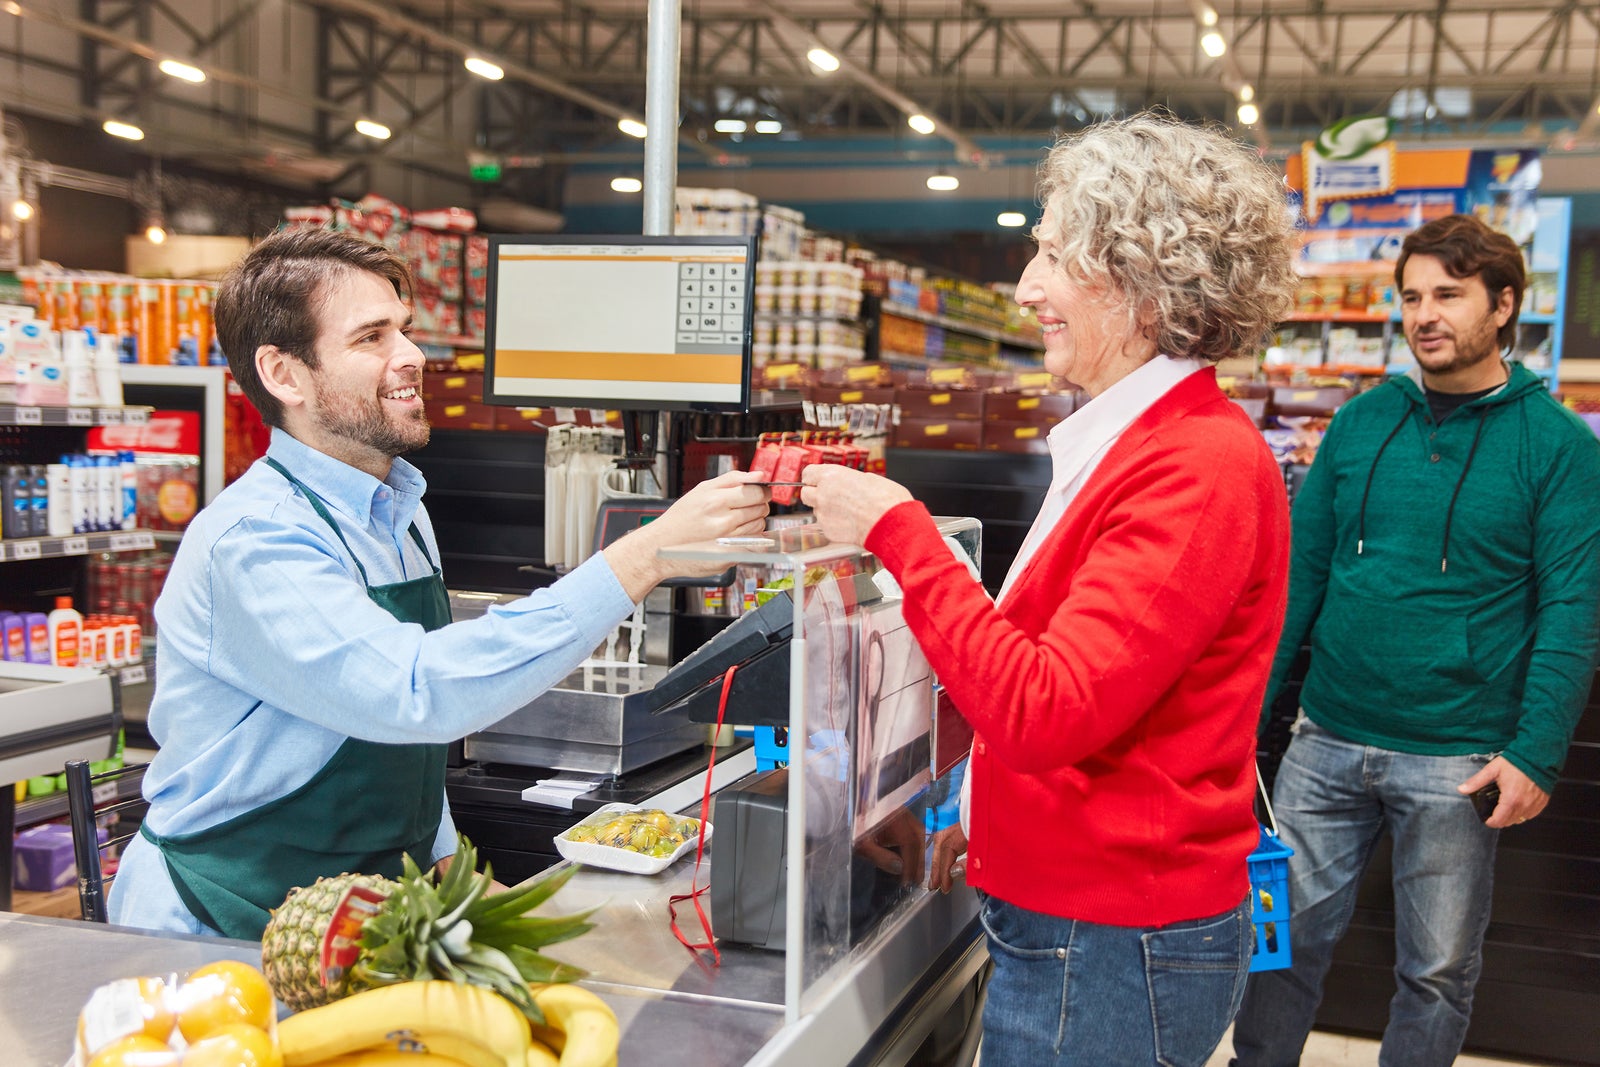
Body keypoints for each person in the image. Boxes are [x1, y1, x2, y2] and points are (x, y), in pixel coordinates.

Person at [798, 113, 1299, 1065]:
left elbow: (1048, 707)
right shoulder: (1143, 443)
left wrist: (895, 529)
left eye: (1055, 256)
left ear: (1142, 284)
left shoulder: (1195, 467)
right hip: (1086, 922)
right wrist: (974, 813)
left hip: (1112, 944)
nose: (1027, 288)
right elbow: (1081, 680)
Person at [109, 227, 770, 939]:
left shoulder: (400, 510)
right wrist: (646, 557)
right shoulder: (255, 541)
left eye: (406, 329)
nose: (413, 356)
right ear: (285, 374)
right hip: (222, 918)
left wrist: (451, 864)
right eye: (371, 336)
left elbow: (402, 745)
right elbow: (416, 691)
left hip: (357, 915)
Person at [1230, 213, 1600, 1066]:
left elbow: (1574, 610)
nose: (1425, 314)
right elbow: (1296, 582)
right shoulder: (1363, 424)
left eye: (1449, 295)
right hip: (1323, 741)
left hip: (1457, 758)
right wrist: (1244, 721)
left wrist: (1537, 752)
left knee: (1435, 972)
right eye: (1411, 298)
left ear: (1504, 304)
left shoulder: (1558, 447)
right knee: (1278, 950)